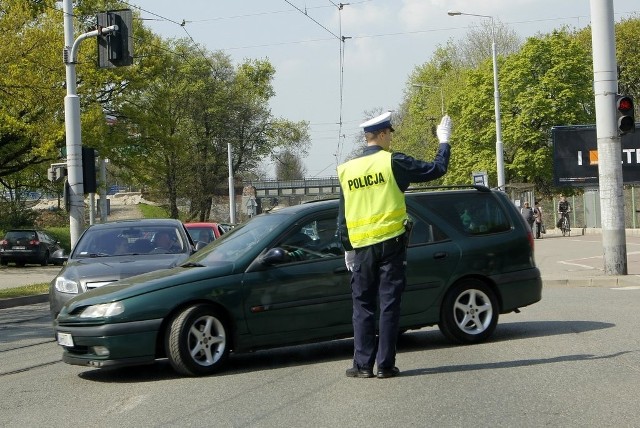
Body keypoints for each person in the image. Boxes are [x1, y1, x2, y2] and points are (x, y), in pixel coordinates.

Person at [337, 111, 452, 379]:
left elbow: (342, 215)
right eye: (390, 134)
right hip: (391, 245)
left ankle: (363, 365)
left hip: (362, 247)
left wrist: (347, 248)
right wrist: (444, 141)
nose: (391, 139)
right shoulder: (393, 162)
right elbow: (436, 169)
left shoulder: (346, 170)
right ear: (383, 134)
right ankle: (385, 366)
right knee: (388, 304)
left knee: (362, 307)